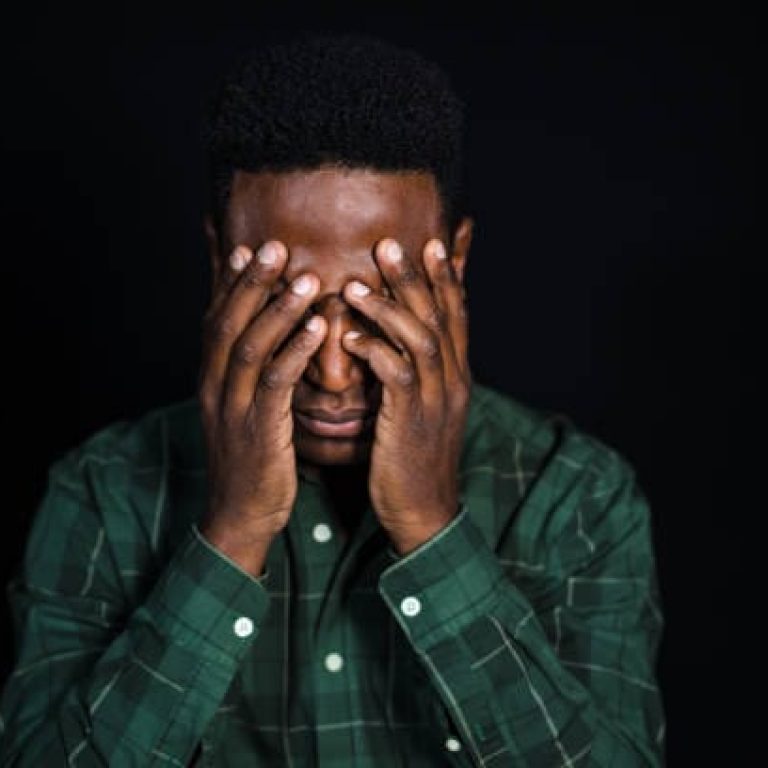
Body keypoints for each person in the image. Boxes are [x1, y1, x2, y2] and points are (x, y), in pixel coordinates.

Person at [0, 33, 665, 765]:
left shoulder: (576, 498)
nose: (335, 376)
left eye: (380, 302)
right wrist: (233, 532)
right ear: (220, 264)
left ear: (458, 262)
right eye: (285, 302)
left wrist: (432, 529)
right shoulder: (102, 495)